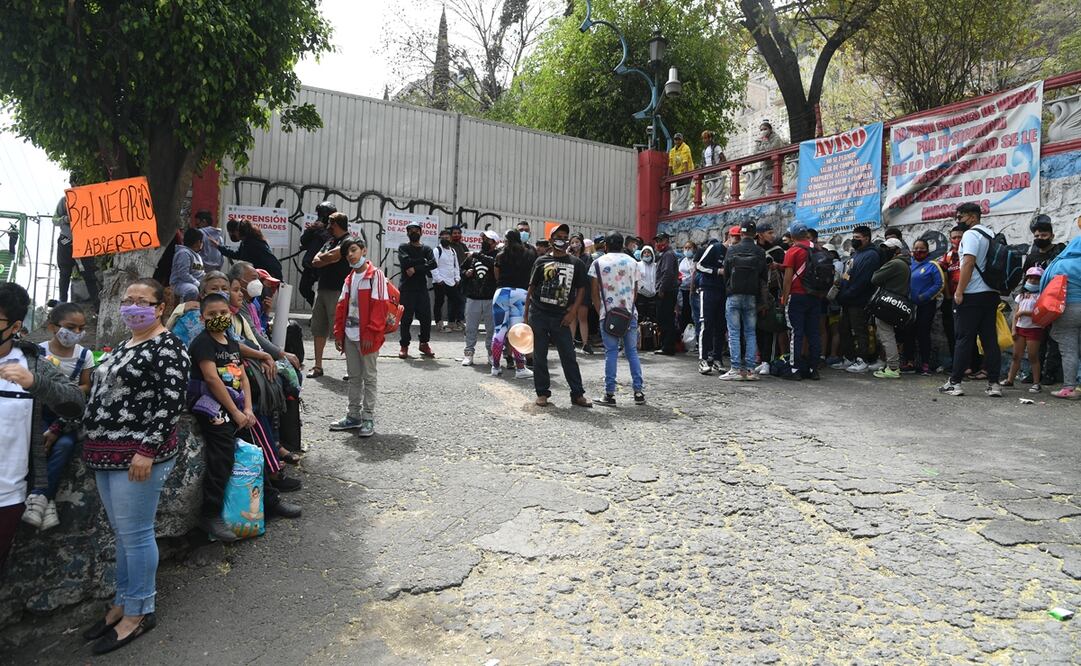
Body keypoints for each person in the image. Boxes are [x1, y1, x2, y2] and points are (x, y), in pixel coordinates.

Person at [79, 279, 188, 654]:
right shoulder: (125, 344)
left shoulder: (169, 347)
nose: (132, 306)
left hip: (138, 457)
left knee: (137, 534)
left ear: (160, 308)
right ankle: (122, 601)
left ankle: (140, 611)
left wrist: (146, 449)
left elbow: (170, 402)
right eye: (127, 300)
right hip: (104, 454)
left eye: (142, 301)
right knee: (123, 534)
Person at [0, 283, 84, 570]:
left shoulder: (32, 362)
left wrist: (35, 384)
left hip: (6, 495)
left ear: (15, 326)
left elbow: (76, 403)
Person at [22, 303, 94, 531]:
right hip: (39, 410)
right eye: (70, 327)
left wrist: (66, 389)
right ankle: (47, 501)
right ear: (53, 327)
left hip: (67, 413)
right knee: (36, 444)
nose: (75, 333)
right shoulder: (37, 352)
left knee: (63, 444)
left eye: (80, 328)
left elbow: (86, 386)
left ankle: (39, 497)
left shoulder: (85, 355)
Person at [939, 202, 1004, 397]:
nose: (958, 221)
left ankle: (955, 383)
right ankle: (994, 385)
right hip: (991, 294)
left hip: (972, 295)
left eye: (960, 217)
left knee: (963, 339)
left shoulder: (971, 235)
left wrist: (959, 291)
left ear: (973, 217)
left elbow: (967, 263)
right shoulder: (991, 234)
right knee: (990, 340)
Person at [332, 239, 394, 436]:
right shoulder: (349, 278)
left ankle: (367, 417)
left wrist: (371, 331)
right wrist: (338, 333)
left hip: (368, 337)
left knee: (369, 377)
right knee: (354, 377)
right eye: (347, 252)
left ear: (363, 250)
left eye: (353, 250)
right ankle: (353, 416)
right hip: (350, 336)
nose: (350, 255)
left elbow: (381, 305)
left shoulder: (375, 275)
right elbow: (342, 307)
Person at [526, 223, 590, 408]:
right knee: (540, 356)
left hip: (562, 317)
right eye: (558, 236)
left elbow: (581, 290)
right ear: (551, 240)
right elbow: (530, 289)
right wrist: (526, 317)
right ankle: (542, 393)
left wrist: (572, 312)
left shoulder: (576, 263)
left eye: (564, 236)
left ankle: (577, 394)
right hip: (539, 315)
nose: (561, 239)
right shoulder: (541, 261)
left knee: (569, 356)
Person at [589, 232, 645, 406]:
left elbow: (594, 292)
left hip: (608, 314)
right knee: (632, 352)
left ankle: (610, 394)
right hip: (629, 314)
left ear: (605, 245)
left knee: (611, 353)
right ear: (622, 245)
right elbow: (636, 291)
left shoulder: (597, 263)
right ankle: (638, 392)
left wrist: (601, 312)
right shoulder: (633, 263)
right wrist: (628, 307)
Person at [719, 220, 768, 380]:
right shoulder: (760, 251)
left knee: (734, 332)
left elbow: (726, 273)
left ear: (741, 233)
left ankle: (735, 369)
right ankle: (751, 370)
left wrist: (728, 289)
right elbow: (763, 277)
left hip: (734, 294)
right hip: (751, 296)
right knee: (750, 332)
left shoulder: (732, 249)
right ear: (755, 234)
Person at [307, 213, 353, 378]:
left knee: (342, 330)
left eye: (330, 224)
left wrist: (328, 258)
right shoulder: (330, 242)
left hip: (339, 291)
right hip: (323, 289)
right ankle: (318, 367)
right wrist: (329, 258)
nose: (327, 227)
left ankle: (351, 369)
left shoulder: (349, 241)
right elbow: (315, 260)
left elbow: (334, 256)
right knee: (319, 328)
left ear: (336, 224)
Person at [1023, 214, 1065, 385]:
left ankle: (1050, 374)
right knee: (1036, 339)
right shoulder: (1032, 257)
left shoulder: (1059, 252)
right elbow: (1025, 277)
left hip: (1054, 302)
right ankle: (1035, 375)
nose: (1040, 239)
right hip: (1035, 303)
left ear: (1052, 236)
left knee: (1054, 339)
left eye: (1044, 236)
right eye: (1037, 236)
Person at [834, 225, 881, 373]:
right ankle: (849, 358)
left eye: (857, 238)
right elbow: (848, 274)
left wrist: (847, 295)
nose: (854, 240)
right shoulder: (856, 254)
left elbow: (863, 281)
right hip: (847, 300)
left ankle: (863, 360)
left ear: (866, 239)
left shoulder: (871, 255)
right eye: (853, 237)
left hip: (859, 301)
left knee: (860, 330)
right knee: (844, 329)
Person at [1040, 234, 1081, 399]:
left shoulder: (1060, 264)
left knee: (1069, 350)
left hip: (1067, 310)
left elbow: (1046, 286)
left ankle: (1069, 388)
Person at [780, 222, 821, 380]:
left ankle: (795, 368)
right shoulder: (817, 249)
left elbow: (788, 279)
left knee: (796, 332)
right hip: (815, 296)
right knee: (813, 332)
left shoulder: (793, 251)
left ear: (792, 236)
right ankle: (813, 368)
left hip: (797, 295)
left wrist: (784, 297)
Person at [491, 230, 534, 378]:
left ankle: (495, 367)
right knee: (517, 333)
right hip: (520, 294)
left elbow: (496, 274)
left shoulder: (500, 255)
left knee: (499, 332)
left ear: (506, 239)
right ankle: (520, 369)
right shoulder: (529, 254)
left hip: (502, 292)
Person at [869, 238, 911, 379]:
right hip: (894, 304)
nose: (885, 251)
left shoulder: (895, 263)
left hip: (887, 304)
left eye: (889, 248)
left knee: (886, 336)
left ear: (897, 250)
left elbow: (875, 278)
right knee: (888, 335)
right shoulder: (904, 263)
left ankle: (893, 367)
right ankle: (891, 365)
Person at [54, 189, 100, 310]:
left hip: (84, 242)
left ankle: (97, 305)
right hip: (66, 242)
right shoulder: (64, 201)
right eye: (73, 186)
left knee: (89, 274)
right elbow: (54, 220)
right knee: (64, 274)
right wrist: (64, 219)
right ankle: (62, 304)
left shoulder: (91, 201)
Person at [903, 239, 944, 376]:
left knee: (923, 334)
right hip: (909, 305)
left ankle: (925, 364)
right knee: (908, 333)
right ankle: (909, 362)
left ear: (927, 251)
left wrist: (925, 296)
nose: (919, 252)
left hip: (926, 306)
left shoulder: (933, 266)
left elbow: (939, 284)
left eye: (922, 249)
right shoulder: (908, 265)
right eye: (916, 249)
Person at [397, 221, 438, 359]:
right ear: (407, 233)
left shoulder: (427, 248)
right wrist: (423, 262)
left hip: (421, 289)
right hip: (407, 289)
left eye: (416, 230)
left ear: (421, 232)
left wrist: (415, 268)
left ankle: (424, 344)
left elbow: (433, 263)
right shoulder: (403, 247)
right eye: (410, 230)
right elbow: (405, 262)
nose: (413, 232)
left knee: (426, 318)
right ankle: (404, 346)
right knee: (406, 319)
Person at [1003, 267, 1046, 393]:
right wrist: (1014, 329)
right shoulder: (1021, 296)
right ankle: (1010, 380)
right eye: (1031, 278)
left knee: (1033, 356)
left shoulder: (1041, 296)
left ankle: (1036, 383)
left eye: (1037, 279)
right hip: (1020, 328)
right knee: (1016, 356)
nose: (1033, 281)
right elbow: (1016, 313)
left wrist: (1024, 312)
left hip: (1034, 329)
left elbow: (1039, 314)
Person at [461, 230, 500, 366]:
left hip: (491, 298)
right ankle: (469, 353)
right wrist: (466, 272)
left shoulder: (498, 255)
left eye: (487, 239)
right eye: (483, 238)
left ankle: (491, 353)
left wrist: (477, 255)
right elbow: (461, 269)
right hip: (473, 298)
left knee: (491, 329)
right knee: (471, 328)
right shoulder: (473, 256)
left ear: (495, 243)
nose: (484, 241)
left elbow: (494, 263)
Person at [694, 238, 727, 374]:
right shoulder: (715, 248)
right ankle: (703, 359)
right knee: (706, 324)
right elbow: (699, 266)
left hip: (723, 291)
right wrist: (717, 271)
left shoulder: (735, 252)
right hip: (708, 289)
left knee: (720, 326)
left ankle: (717, 358)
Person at [219, 220, 284, 280]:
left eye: (230, 233)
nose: (231, 235)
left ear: (236, 231)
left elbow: (271, 262)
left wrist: (277, 279)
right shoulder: (245, 242)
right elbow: (237, 255)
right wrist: (219, 247)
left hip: (266, 278)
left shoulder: (252, 243)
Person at [298, 201, 335, 306]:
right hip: (310, 264)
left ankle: (319, 314)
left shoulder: (334, 227)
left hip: (324, 266)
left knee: (324, 292)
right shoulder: (317, 226)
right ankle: (315, 307)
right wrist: (310, 230)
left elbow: (331, 242)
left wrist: (322, 230)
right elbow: (304, 240)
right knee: (304, 288)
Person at [653, 232, 680, 355]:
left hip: (667, 291)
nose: (658, 243)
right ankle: (666, 345)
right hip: (667, 290)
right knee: (664, 318)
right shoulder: (664, 254)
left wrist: (662, 289)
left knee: (666, 319)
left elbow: (667, 273)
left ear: (667, 241)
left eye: (661, 240)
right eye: (657, 241)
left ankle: (667, 346)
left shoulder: (668, 255)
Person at [567, 233, 593, 354]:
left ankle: (585, 344)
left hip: (583, 290)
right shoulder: (568, 257)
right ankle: (570, 341)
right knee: (572, 317)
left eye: (577, 242)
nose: (575, 244)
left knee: (582, 317)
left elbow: (587, 272)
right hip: (571, 290)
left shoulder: (587, 257)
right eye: (572, 242)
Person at [433, 228, 463, 333]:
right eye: (443, 237)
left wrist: (457, 278)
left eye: (447, 237)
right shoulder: (437, 250)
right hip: (440, 282)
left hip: (451, 282)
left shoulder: (453, 251)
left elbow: (456, 266)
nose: (445, 239)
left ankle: (451, 323)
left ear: (450, 238)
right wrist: (438, 279)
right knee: (439, 302)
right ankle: (439, 324)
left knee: (456, 301)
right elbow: (433, 266)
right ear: (440, 238)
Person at [170, 228, 206, 304]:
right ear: (198, 242)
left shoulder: (197, 255)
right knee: (192, 290)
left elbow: (201, 273)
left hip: (197, 283)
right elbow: (183, 274)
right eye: (201, 241)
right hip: (180, 283)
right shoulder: (184, 253)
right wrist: (197, 283)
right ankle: (188, 311)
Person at [448, 226, 470, 327]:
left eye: (458, 233)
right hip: (452, 277)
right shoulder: (448, 247)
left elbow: (468, 259)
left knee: (462, 299)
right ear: (451, 235)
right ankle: (451, 321)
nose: (456, 235)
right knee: (453, 300)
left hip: (463, 276)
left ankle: (460, 320)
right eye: (454, 233)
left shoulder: (463, 246)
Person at [678, 240, 698, 343]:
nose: (687, 250)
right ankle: (683, 335)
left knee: (692, 313)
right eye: (685, 248)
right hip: (682, 290)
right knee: (683, 312)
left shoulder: (695, 260)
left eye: (689, 248)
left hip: (693, 290)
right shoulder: (682, 260)